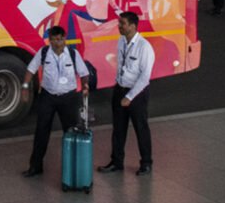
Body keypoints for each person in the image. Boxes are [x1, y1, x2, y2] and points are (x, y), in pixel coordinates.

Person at [20, 26, 89, 178]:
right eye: (55, 40)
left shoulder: (72, 53)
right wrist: (25, 87)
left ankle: (72, 167)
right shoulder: (44, 53)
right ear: (50, 41)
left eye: (61, 39)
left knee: (70, 132)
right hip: (48, 97)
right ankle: (35, 167)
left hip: (68, 98)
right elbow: (30, 70)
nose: (59, 43)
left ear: (65, 39)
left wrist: (85, 85)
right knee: (41, 132)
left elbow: (84, 73)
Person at [97, 11, 154, 177]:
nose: (119, 26)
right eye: (119, 23)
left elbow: (145, 77)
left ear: (133, 26)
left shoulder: (145, 47)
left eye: (122, 23)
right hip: (120, 89)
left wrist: (129, 97)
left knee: (141, 128)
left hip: (136, 94)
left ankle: (146, 163)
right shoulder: (122, 41)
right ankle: (116, 162)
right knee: (118, 129)